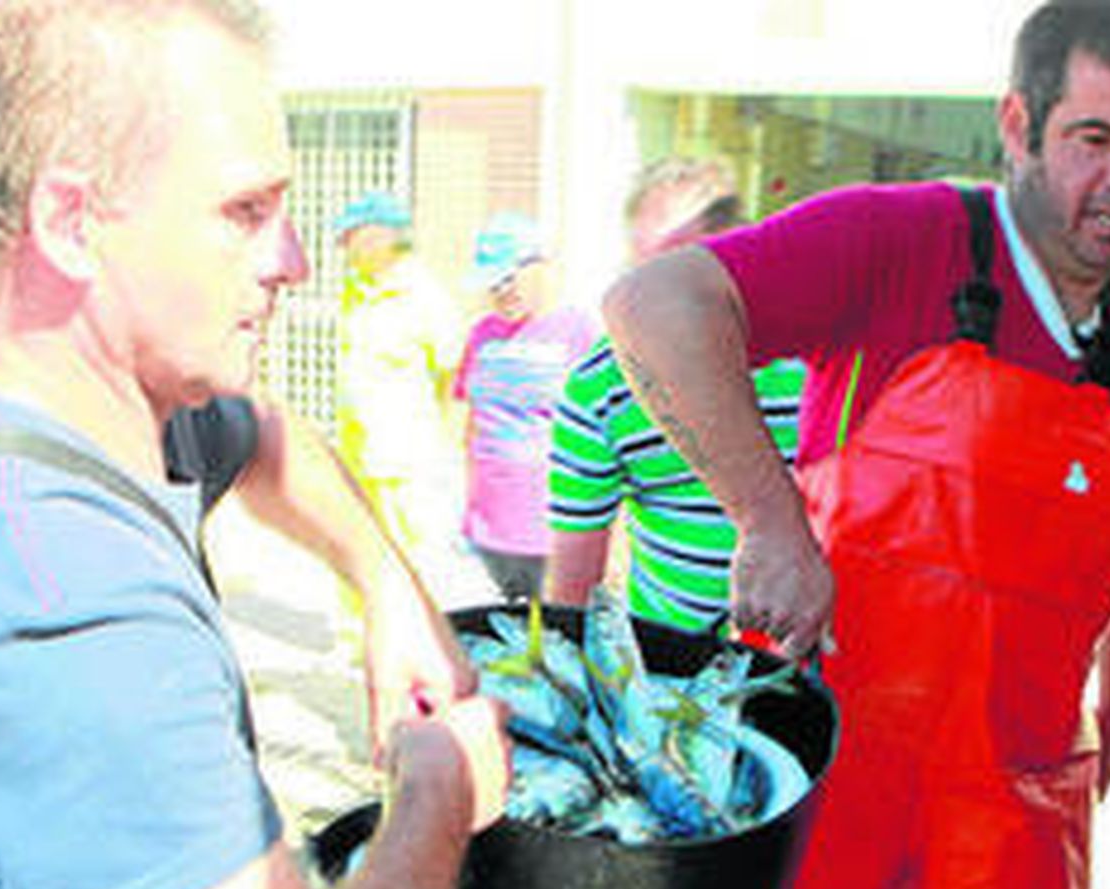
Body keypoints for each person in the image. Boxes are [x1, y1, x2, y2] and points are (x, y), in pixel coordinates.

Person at [0, 1, 509, 889]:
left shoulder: (48, 401)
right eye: (245, 213)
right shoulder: (48, 601)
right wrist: (439, 790)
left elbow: (262, 438)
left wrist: (386, 588)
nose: (293, 261)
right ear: (71, 223)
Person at [602, 1, 1110, 889]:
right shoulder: (896, 239)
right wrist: (769, 523)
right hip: (819, 747)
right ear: (1018, 125)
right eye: (1094, 138)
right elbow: (654, 305)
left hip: (1020, 782)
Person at [547, 157, 806, 633]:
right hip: (671, 669)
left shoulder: (818, 356)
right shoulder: (598, 386)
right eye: (650, 277)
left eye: (688, 268)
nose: (669, 303)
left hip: (813, 655)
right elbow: (573, 586)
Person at [453, 212, 597, 602]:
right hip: (490, 522)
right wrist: (467, 502)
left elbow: (605, 431)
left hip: (551, 524)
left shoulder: (578, 330)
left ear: (540, 267)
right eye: (492, 283)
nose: (501, 292)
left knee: (554, 632)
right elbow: (470, 424)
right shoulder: (482, 334)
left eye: (509, 279)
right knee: (510, 630)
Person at [331, 191, 466, 575]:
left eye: (351, 237)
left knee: (411, 563)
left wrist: (442, 448)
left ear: (381, 237)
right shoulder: (355, 289)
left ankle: (415, 635)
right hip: (359, 455)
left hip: (406, 464)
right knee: (358, 557)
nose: (345, 247)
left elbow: (452, 376)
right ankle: (357, 636)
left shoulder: (424, 296)